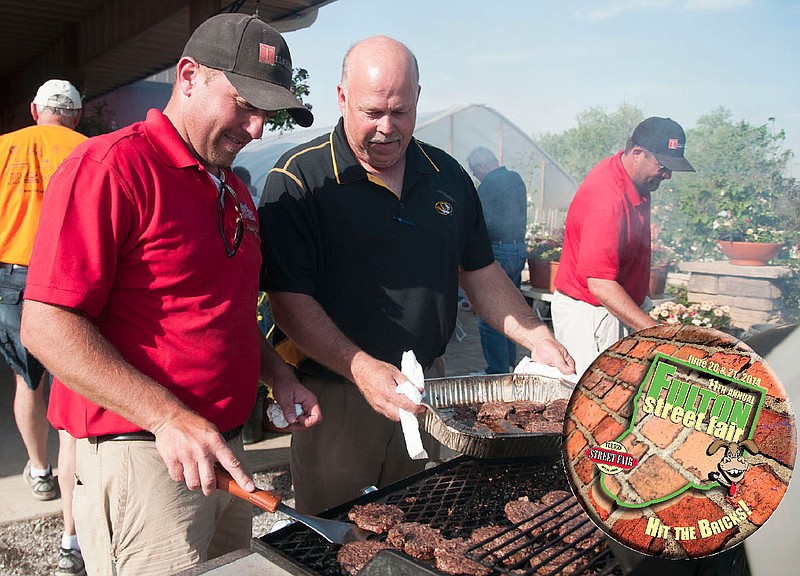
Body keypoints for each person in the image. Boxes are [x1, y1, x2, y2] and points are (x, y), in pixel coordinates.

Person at [20, 13, 320, 576]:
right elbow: (46, 324)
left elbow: (220, 314)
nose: (257, 129)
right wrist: (166, 417)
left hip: (224, 454)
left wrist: (277, 375)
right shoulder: (109, 168)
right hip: (147, 456)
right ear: (188, 76)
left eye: (268, 113)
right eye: (245, 104)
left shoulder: (231, 187)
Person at [259, 35, 574, 515]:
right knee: (335, 528)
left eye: (400, 112)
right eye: (371, 113)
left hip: (430, 387)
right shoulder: (301, 179)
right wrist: (361, 368)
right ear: (342, 98)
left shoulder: (447, 177)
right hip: (337, 392)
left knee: (419, 518)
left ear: (418, 99)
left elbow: (481, 273)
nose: (386, 128)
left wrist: (535, 336)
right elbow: (288, 300)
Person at [0, 78, 88, 576]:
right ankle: (71, 536)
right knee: (73, 396)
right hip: (70, 280)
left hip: (10, 280)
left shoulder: (4, 149)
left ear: (36, 110)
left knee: (25, 382)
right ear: (75, 115)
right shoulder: (91, 151)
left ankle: (38, 470)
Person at [551, 117, 695, 376]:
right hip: (593, 316)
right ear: (637, 152)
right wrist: (655, 332)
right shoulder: (607, 201)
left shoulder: (634, 178)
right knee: (596, 400)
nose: (668, 175)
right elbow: (600, 284)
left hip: (613, 309)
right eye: (663, 166)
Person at [466, 146, 528, 374]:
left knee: (491, 313)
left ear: (482, 166)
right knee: (512, 307)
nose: (476, 176)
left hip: (499, 252)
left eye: (475, 171)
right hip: (518, 249)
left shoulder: (488, 186)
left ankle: (497, 371)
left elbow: (480, 222)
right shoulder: (516, 179)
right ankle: (509, 365)